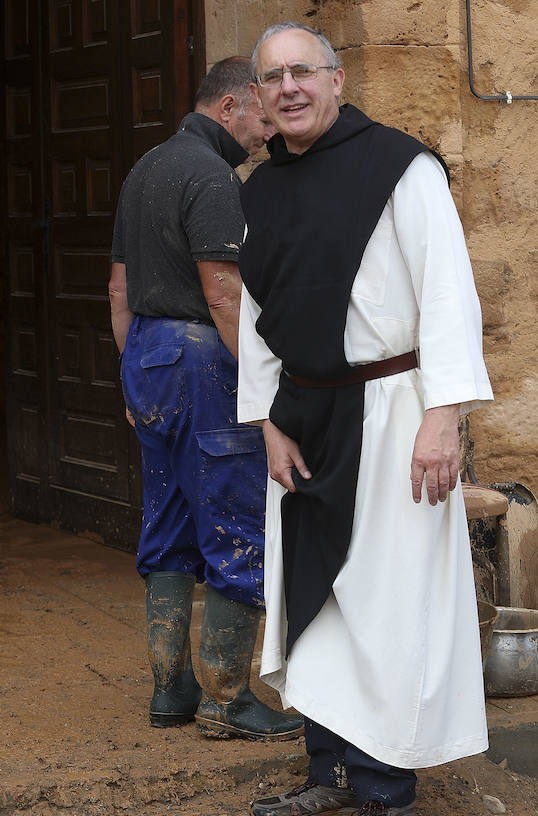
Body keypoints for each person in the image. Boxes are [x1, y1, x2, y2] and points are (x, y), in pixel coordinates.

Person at [236, 23, 494, 816]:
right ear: (260, 96)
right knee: (315, 606)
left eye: (302, 70)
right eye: (271, 77)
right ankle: (328, 771)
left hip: (389, 413)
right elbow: (257, 315)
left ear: (337, 80)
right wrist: (267, 417)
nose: (288, 87)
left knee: (385, 608)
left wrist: (442, 415)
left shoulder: (401, 167)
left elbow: (448, 295)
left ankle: (385, 794)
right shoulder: (261, 189)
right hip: (303, 418)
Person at [108, 57, 303, 742]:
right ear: (230, 105)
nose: (262, 135)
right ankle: (227, 698)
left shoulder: (145, 170)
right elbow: (222, 293)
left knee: (165, 524)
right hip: (201, 361)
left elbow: (118, 290)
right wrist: (263, 387)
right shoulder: (211, 176)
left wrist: (135, 375)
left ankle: (171, 692)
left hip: (152, 355)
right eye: (259, 118)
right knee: (234, 522)